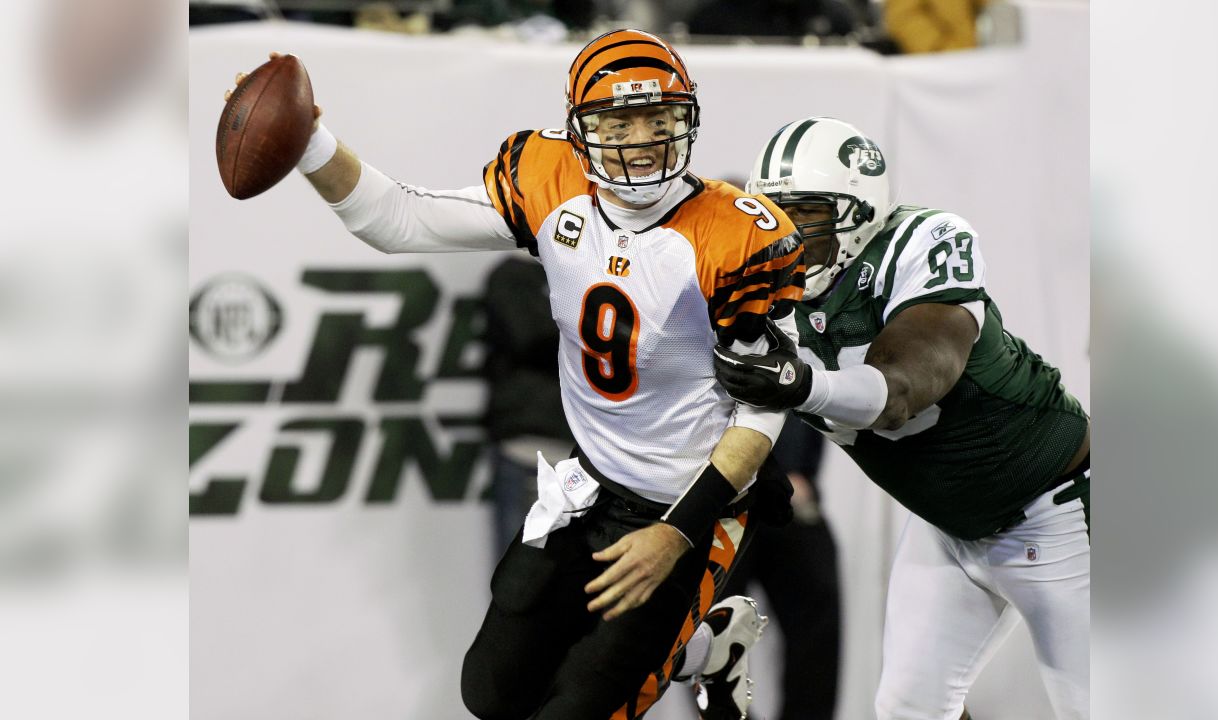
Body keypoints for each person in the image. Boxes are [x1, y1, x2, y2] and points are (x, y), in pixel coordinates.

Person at [223, 30, 806, 719]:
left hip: (688, 508)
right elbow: (399, 219)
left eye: (660, 117)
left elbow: (763, 407)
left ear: (688, 118)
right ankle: (709, 648)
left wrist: (678, 531)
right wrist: (310, 142)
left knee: (581, 709)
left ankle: (694, 642)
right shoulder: (547, 180)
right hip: (592, 484)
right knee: (491, 694)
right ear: (580, 130)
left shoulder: (741, 233)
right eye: (619, 121)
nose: (642, 138)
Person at [713, 117, 1090, 720]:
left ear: (859, 212)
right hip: (949, 524)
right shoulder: (761, 292)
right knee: (909, 709)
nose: (784, 233)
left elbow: (907, 384)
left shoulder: (923, 241)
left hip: (1058, 509)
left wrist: (803, 385)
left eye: (805, 213)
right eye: (772, 214)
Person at [720, 414, 842, 720]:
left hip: (789, 493)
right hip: (718, 500)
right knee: (710, 631)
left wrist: (797, 470)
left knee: (818, 623)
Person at [478, 254, 575, 566]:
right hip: (530, 450)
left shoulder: (595, 269)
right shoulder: (513, 276)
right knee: (518, 584)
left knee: (583, 587)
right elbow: (531, 338)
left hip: (593, 459)